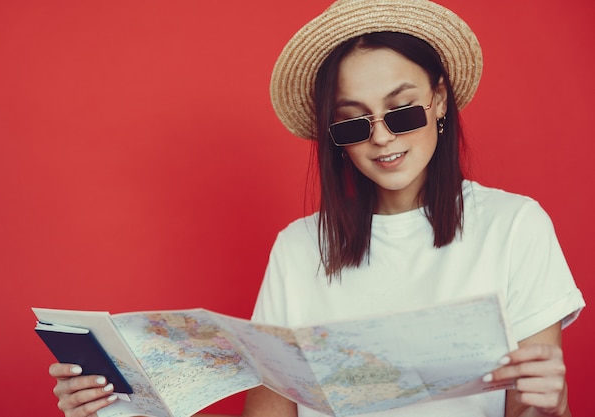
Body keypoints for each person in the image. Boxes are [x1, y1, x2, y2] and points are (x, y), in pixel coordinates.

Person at [48, 0, 585, 416]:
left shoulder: (515, 226)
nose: (381, 139)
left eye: (401, 112)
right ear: (336, 138)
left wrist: (551, 403)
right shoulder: (300, 248)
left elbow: (532, 405)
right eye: (354, 122)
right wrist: (117, 405)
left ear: (439, 100)